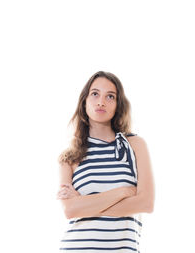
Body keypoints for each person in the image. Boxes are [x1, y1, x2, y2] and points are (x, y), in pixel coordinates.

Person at [56, 70, 155, 252]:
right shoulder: (68, 157)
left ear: (118, 104)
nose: (101, 101)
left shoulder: (134, 145)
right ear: (84, 101)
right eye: (95, 94)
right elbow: (70, 211)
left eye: (110, 96)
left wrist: (85, 204)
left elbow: (146, 203)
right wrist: (124, 192)